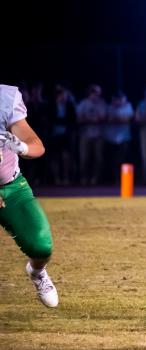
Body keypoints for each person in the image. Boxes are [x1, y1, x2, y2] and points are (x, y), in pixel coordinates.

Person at [0, 84, 58, 307]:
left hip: (11, 186)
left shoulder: (5, 97)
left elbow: (37, 146)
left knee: (41, 246)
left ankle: (37, 272)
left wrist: (21, 147)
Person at [76, 84, 107, 185]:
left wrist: (90, 119)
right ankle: (84, 178)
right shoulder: (84, 103)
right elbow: (79, 118)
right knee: (84, 158)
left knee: (98, 158)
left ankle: (95, 179)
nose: (98, 95)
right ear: (91, 93)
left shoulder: (101, 103)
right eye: (97, 93)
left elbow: (103, 118)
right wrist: (91, 120)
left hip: (98, 135)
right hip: (85, 134)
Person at [48, 84, 76, 185]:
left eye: (65, 95)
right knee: (54, 157)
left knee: (66, 157)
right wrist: (59, 121)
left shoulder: (69, 106)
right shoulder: (51, 105)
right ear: (57, 96)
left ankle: (66, 177)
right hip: (54, 135)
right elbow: (48, 119)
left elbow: (73, 120)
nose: (63, 97)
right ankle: (57, 178)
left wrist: (63, 122)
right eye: (61, 95)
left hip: (66, 135)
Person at [104, 91, 134, 183]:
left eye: (120, 99)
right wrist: (118, 118)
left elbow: (128, 118)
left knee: (122, 159)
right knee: (111, 160)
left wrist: (117, 118)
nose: (118, 101)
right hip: (111, 138)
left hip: (124, 138)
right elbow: (106, 118)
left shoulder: (128, 106)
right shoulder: (109, 107)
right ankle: (112, 179)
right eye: (116, 99)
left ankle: (123, 180)